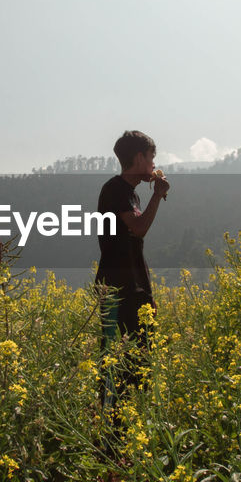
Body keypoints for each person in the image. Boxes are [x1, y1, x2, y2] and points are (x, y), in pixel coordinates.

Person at [95, 130, 170, 418]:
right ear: (138, 158)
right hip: (115, 289)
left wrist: (147, 295)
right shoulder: (116, 189)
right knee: (115, 361)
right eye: (151, 157)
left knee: (140, 360)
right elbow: (137, 228)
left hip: (133, 289)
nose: (153, 164)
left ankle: (130, 426)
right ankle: (110, 433)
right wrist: (158, 197)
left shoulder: (130, 193)